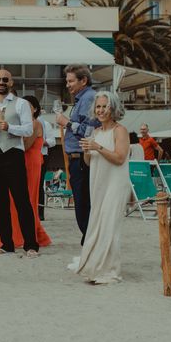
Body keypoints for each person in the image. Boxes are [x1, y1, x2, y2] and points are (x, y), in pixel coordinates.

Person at [68, 91, 130, 284]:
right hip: (99, 183)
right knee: (97, 224)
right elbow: (88, 162)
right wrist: (87, 150)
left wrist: (97, 148)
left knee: (110, 225)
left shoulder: (120, 130)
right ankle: (95, 266)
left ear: (114, 108)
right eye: (98, 107)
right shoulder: (95, 132)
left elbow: (120, 158)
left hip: (116, 183)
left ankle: (109, 270)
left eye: (105, 106)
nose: (101, 110)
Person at [0, 69, 39, 257]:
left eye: (5, 79)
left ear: (11, 82)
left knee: (22, 201)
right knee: (0, 202)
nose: (1, 82)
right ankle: (7, 244)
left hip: (13, 154)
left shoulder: (21, 104)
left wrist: (9, 127)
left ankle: (31, 245)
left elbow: (29, 130)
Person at [0, 95, 52, 249]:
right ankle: (18, 235)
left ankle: (27, 236)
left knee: (27, 200)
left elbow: (26, 145)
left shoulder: (36, 123)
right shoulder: (21, 123)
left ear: (35, 109)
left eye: (28, 106)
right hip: (19, 162)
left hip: (31, 164)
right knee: (14, 201)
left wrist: (10, 132)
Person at [55, 64, 100, 245]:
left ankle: (90, 242)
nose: (67, 85)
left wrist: (66, 122)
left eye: (71, 81)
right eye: (67, 81)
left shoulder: (88, 98)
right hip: (79, 158)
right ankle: (89, 242)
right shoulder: (82, 98)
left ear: (83, 80)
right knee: (82, 203)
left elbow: (89, 130)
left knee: (83, 204)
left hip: (82, 158)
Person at [38, 116, 56, 221]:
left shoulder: (45, 124)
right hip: (26, 156)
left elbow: (52, 141)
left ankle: (40, 213)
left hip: (42, 154)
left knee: (39, 184)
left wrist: (40, 141)